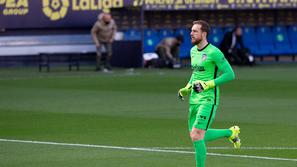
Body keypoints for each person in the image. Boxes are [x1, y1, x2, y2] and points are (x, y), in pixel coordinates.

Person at [177, 20, 241, 167]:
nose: (191, 34)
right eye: (191, 31)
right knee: (196, 136)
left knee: (197, 134)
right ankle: (229, 133)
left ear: (204, 33)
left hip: (208, 98)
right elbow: (196, 74)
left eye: (194, 31)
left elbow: (230, 74)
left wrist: (207, 84)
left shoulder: (214, 52)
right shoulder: (193, 51)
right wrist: (187, 88)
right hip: (194, 98)